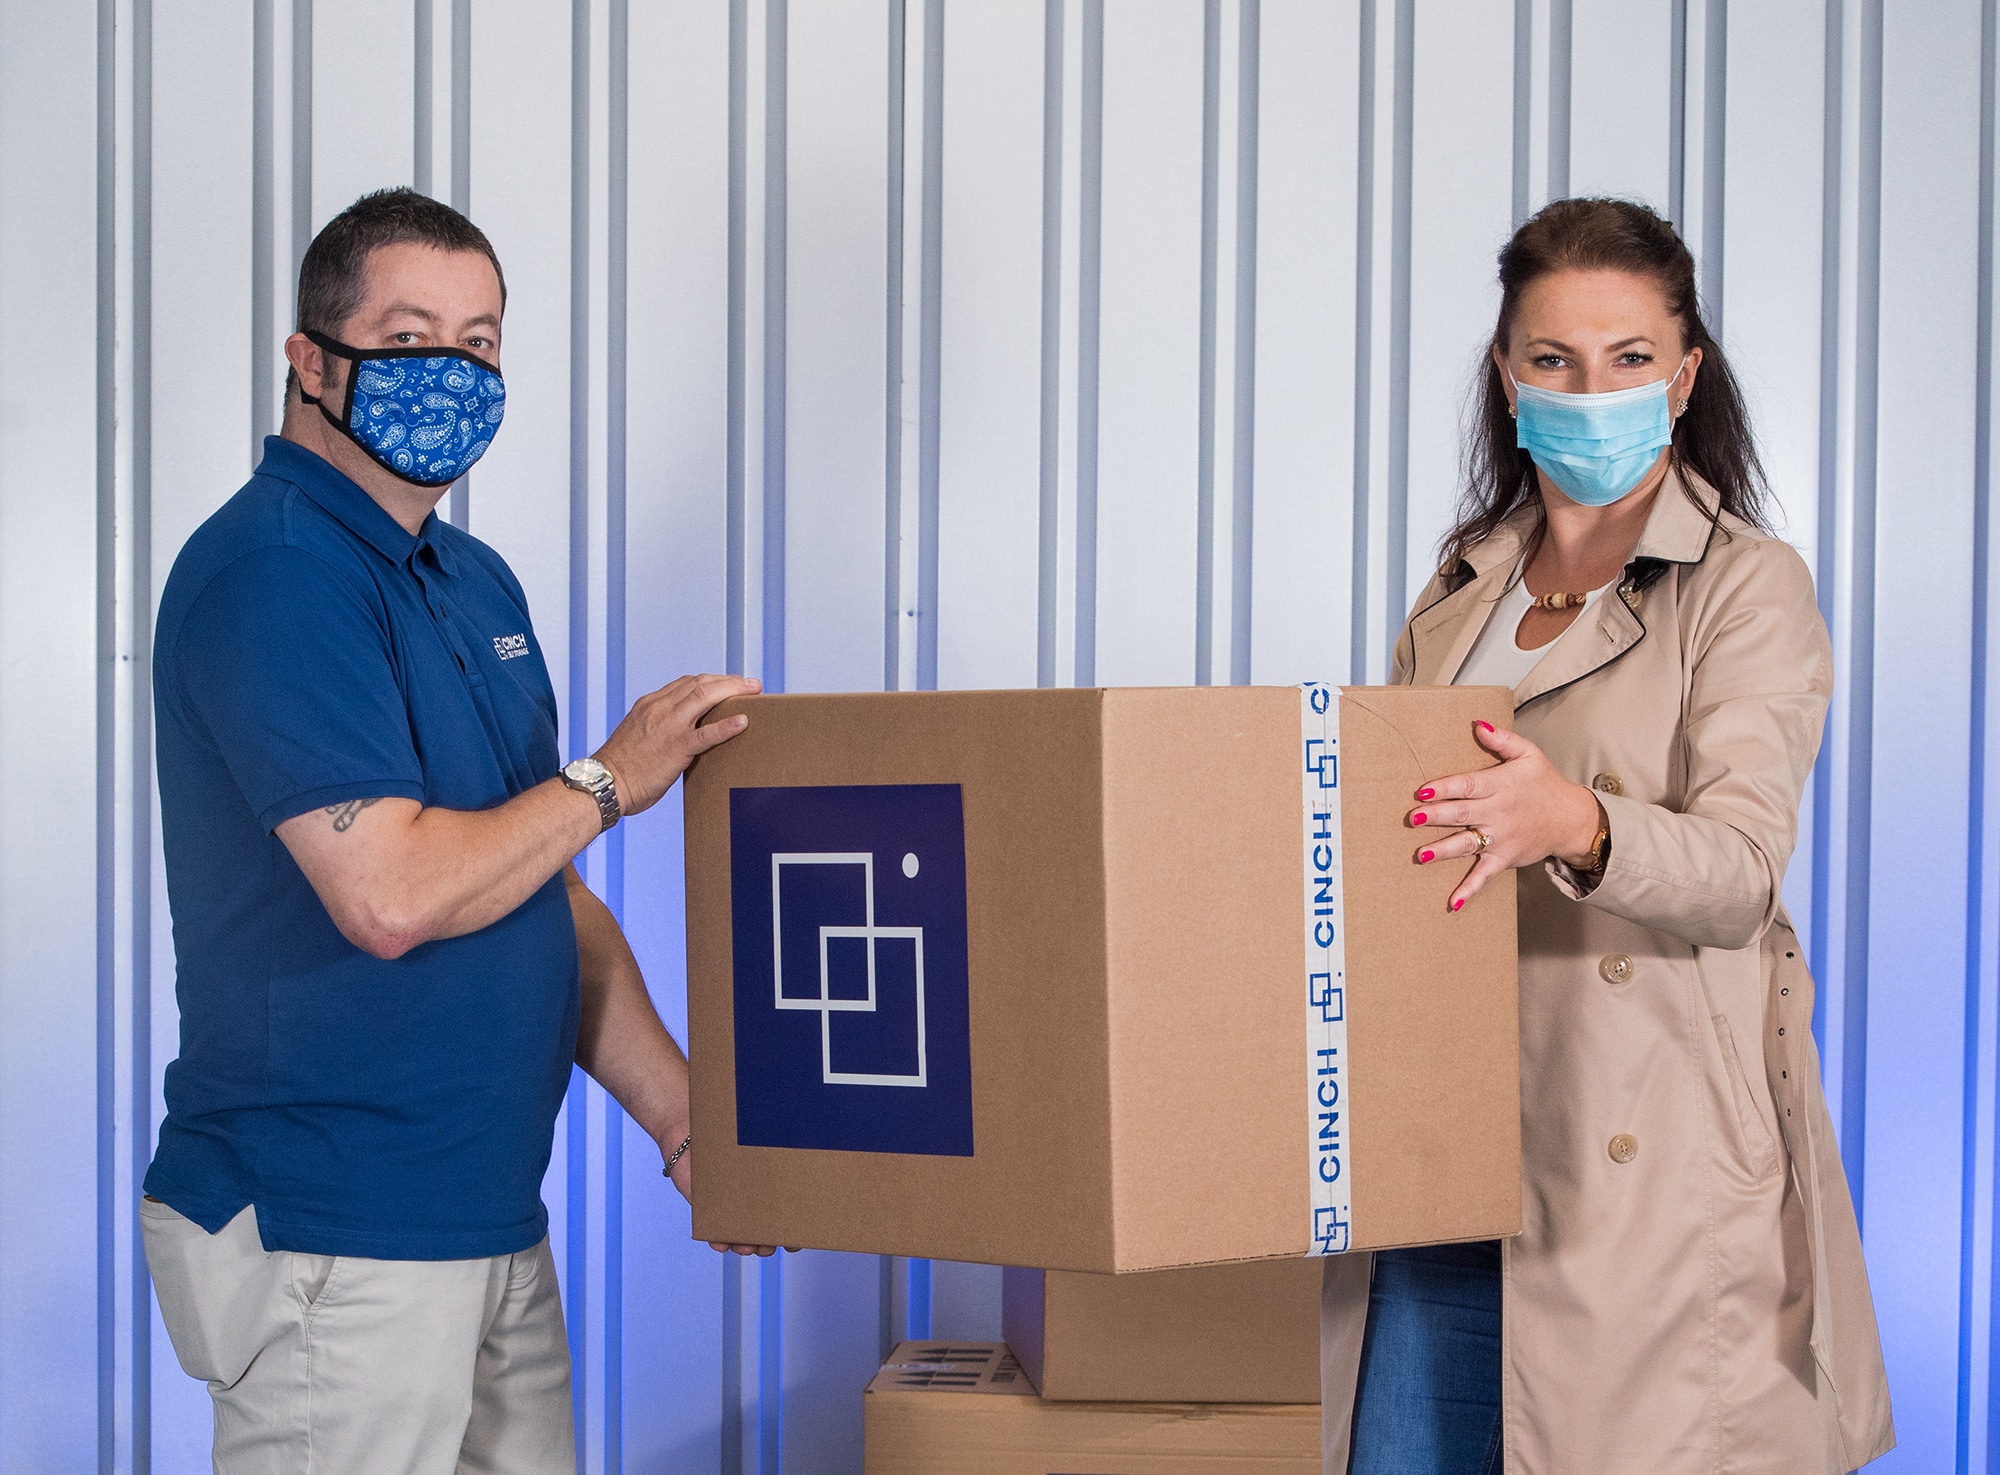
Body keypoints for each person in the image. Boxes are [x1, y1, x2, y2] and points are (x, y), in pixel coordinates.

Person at [141, 187, 766, 1474]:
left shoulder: (469, 582)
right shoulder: (275, 573)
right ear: (311, 362)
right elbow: (390, 894)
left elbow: (537, 890)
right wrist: (611, 774)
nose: (454, 371)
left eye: (480, 342)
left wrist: (690, 1120)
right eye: (412, 335)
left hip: (483, 1215)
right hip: (332, 1226)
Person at [1319, 198, 1895, 1473]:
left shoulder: (1746, 585)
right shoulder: (1460, 587)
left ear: (1683, 377)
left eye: (1629, 357)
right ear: (1504, 377)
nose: (1592, 389)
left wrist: (1573, 820)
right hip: (1443, 1152)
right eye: (1553, 359)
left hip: (1633, 1168)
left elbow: (1740, 869)